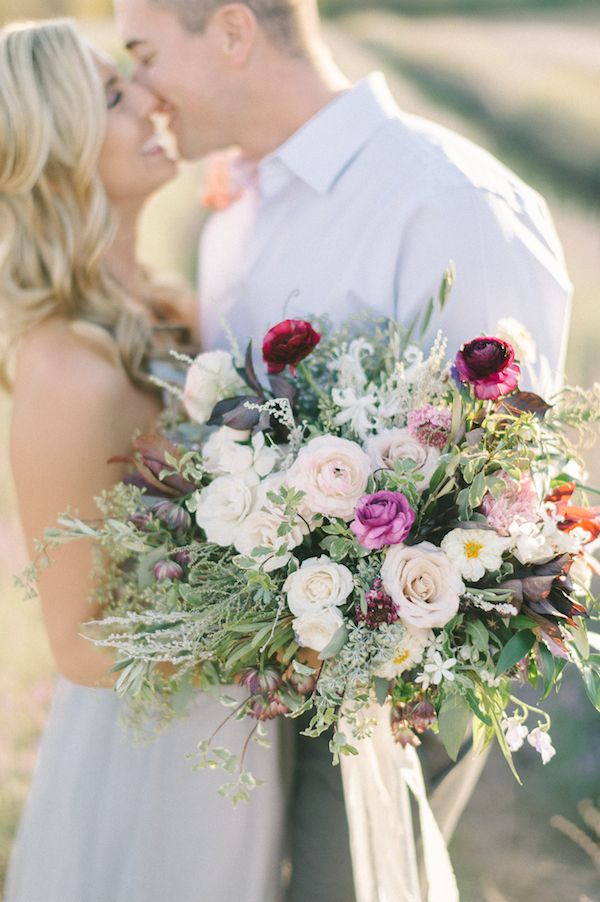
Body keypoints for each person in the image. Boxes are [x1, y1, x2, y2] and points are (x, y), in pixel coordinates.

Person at [114, 1, 572, 899]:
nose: (142, 89)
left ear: (234, 33)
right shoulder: (233, 219)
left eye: (145, 52)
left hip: (381, 706)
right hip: (245, 689)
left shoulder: (446, 204)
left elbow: (501, 499)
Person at [2, 19, 286, 902]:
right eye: (118, 97)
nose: (154, 100)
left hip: (232, 730)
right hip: (153, 757)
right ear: (61, 149)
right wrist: (291, 625)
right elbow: (80, 646)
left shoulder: (165, 301)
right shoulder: (63, 365)